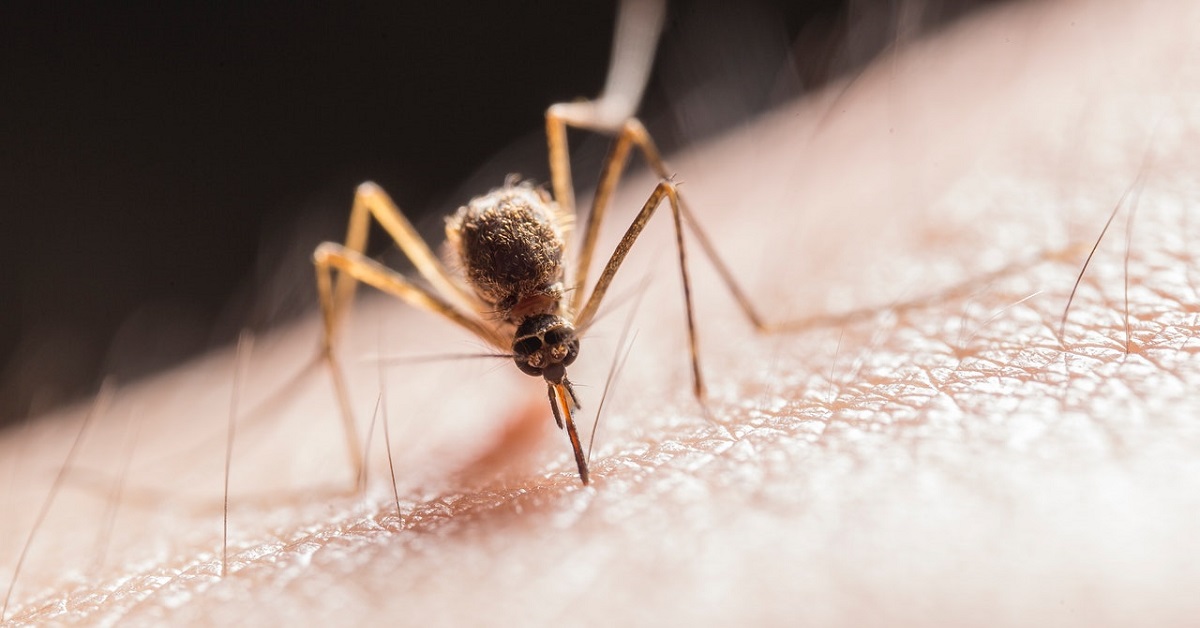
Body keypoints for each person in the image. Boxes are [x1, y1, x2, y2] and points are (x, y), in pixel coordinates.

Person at [3, 0, 1199, 623]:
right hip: (492, 250)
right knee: (349, 239)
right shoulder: (499, 314)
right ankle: (327, 461)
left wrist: (706, 350)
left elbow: (643, 159)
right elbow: (353, 251)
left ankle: (757, 335)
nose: (555, 379)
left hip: (534, 232)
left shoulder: (562, 296)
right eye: (548, 355)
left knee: (640, 160)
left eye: (552, 355)